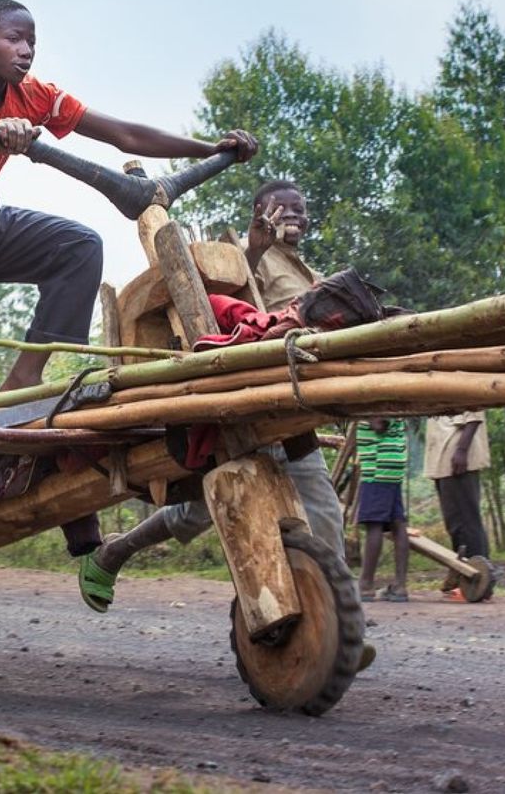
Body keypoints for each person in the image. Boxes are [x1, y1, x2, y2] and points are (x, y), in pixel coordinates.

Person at [0, 0, 258, 565]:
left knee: (78, 247)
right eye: (14, 39)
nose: (26, 50)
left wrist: (210, 147)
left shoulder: (35, 94)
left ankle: (26, 379)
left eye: (31, 41)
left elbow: (123, 134)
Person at [80, 180, 347, 611]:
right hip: (247, 396)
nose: (294, 216)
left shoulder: (310, 273)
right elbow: (222, 297)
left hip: (293, 404)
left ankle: (335, 611)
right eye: (283, 209)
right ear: (261, 213)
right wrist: (255, 248)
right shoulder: (240, 253)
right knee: (198, 510)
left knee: (323, 509)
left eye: (301, 210)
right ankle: (116, 551)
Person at [424, 411, 491, 600]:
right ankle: (465, 579)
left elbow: (475, 415)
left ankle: (478, 581)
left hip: (456, 456)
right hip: (443, 459)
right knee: (455, 524)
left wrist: (462, 450)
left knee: (467, 522)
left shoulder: (464, 381)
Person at [355, 417, 410, 602]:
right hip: (392, 462)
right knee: (397, 523)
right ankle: (400, 586)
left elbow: (378, 422)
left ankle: (365, 584)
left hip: (377, 465)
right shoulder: (395, 395)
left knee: (374, 524)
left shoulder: (373, 394)